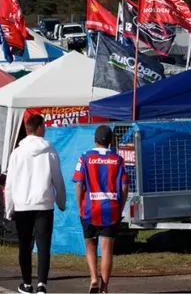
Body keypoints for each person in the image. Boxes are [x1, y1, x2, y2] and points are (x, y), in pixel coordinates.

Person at [5, 114, 66, 294]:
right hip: (44, 204)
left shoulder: (17, 153)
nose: (45, 129)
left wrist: (9, 209)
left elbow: (10, 184)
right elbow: (58, 180)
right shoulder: (50, 150)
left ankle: (26, 283)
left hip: (23, 204)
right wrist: (61, 202)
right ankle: (42, 284)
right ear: (38, 128)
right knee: (43, 244)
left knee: (24, 244)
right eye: (44, 126)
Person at [73, 125, 128, 294]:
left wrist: (79, 206)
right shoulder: (118, 160)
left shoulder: (85, 157)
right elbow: (124, 187)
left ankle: (93, 278)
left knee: (90, 243)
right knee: (107, 249)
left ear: (95, 140)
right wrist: (120, 207)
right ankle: (104, 287)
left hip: (90, 207)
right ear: (111, 141)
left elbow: (79, 184)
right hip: (111, 208)